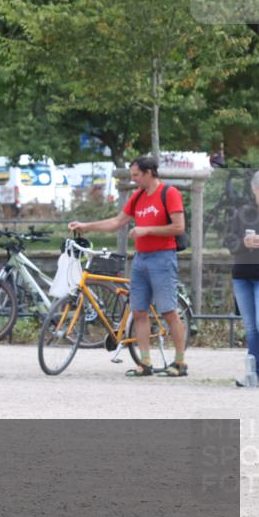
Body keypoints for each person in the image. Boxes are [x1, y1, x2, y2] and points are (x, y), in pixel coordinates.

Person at [68, 155, 188, 377]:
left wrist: (147, 230)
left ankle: (180, 363)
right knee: (139, 311)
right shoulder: (138, 196)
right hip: (141, 259)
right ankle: (145, 363)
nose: (133, 179)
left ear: (149, 173)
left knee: (168, 310)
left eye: (136, 175)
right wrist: (87, 226)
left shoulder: (168, 194)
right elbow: (117, 222)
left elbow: (179, 227)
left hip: (162, 258)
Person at [225, 170, 259, 387]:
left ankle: (255, 370)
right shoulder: (243, 213)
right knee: (250, 327)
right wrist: (243, 243)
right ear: (255, 190)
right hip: (242, 275)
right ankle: (253, 373)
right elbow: (229, 241)